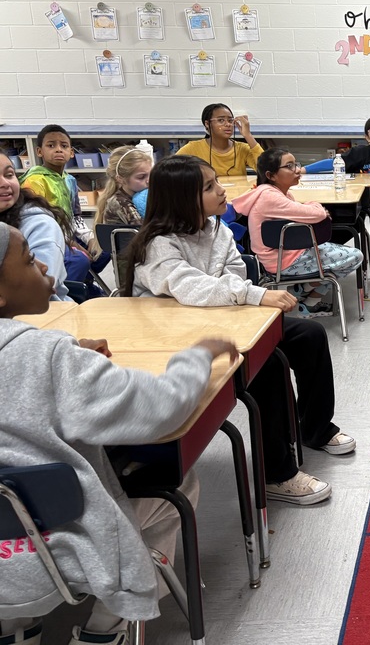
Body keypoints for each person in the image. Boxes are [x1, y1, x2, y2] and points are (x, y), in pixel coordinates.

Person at [0, 221, 235, 645]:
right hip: (59, 552)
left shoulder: (50, 352)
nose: (42, 262)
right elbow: (160, 410)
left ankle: (17, 629)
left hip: (6, 561)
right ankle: (106, 628)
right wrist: (195, 358)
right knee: (178, 485)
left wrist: (64, 349)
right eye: (28, 258)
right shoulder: (50, 359)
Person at [121, 155, 355, 505]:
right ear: (182, 198)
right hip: (177, 337)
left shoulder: (216, 228)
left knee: (309, 336)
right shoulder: (159, 243)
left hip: (221, 318)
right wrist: (252, 294)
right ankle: (277, 475)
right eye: (209, 186)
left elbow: (234, 270)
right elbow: (190, 288)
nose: (221, 190)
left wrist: (238, 292)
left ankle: (314, 429)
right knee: (269, 366)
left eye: (217, 182)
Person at [232, 148, 363, 316]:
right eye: (289, 166)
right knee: (355, 257)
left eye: (296, 164)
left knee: (336, 257)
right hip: (284, 261)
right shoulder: (270, 197)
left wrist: (312, 209)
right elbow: (317, 214)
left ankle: (303, 289)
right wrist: (316, 206)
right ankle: (309, 300)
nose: (296, 170)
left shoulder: (276, 194)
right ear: (271, 175)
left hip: (288, 255)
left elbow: (306, 213)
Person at [18, 125, 110, 291]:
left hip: (69, 232)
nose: (58, 150)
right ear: (39, 151)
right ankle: (65, 292)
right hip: (47, 235)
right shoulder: (35, 181)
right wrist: (73, 244)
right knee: (79, 259)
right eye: (51, 145)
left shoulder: (70, 180)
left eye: (64, 146)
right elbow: (40, 223)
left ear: (71, 152)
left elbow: (76, 216)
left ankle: (84, 282)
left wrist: (89, 238)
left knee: (106, 249)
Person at [0, 153, 75, 302]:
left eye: (9, 175)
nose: (4, 183)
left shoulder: (40, 224)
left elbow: (35, 290)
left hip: (43, 314)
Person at [175, 104, 263, 177]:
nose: (228, 124)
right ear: (207, 124)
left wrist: (248, 135)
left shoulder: (242, 148)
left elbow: (267, 169)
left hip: (237, 196)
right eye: (221, 120)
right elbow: (170, 168)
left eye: (230, 120)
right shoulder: (193, 148)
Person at [95, 146, 153, 227]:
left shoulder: (143, 195)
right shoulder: (119, 202)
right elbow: (143, 229)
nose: (149, 180)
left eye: (151, 174)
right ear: (120, 179)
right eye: (141, 177)